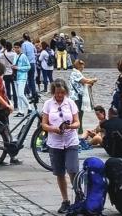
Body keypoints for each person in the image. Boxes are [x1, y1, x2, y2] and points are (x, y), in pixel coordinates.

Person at [42, 79, 81, 212]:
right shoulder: (48, 104)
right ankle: (65, 200)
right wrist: (53, 129)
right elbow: (44, 124)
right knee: (59, 173)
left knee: (72, 169)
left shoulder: (70, 103)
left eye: (62, 93)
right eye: (57, 93)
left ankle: (79, 197)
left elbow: (77, 122)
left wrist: (69, 126)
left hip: (70, 141)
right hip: (55, 143)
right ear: (53, 92)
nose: (59, 95)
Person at [69, 58, 96, 130]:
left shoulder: (77, 73)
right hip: (76, 96)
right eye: (82, 65)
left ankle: (79, 127)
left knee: (80, 111)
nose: (83, 67)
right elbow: (85, 81)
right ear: (79, 66)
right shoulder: (76, 73)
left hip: (78, 95)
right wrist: (94, 80)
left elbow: (83, 82)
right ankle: (78, 127)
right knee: (78, 112)